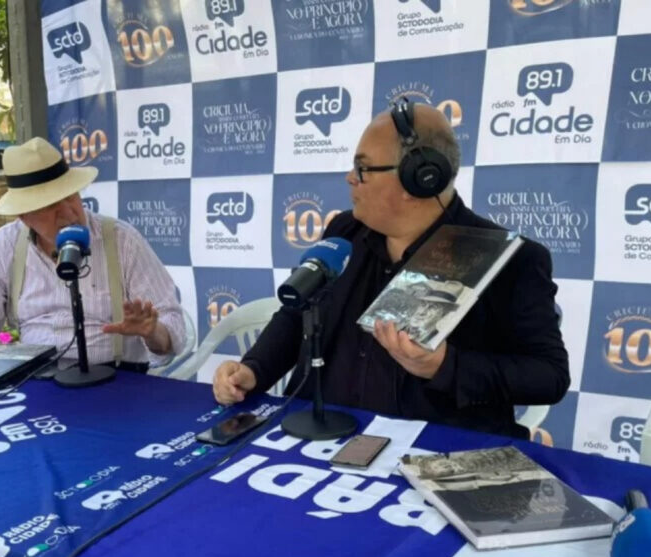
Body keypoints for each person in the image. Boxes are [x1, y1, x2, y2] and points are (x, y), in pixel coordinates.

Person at [212, 103, 569, 438]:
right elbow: (297, 316)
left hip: (431, 457)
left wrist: (445, 366)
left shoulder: (511, 259)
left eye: (363, 168)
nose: (350, 178)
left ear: (420, 179)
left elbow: (549, 375)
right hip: (319, 439)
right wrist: (254, 370)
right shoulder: (343, 233)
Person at [0, 136, 185, 381]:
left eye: (70, 196)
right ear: (24, 216)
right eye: (50, 206)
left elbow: (172, 326)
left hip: (116, 379)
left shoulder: (122, 241)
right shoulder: (5, 244)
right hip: (36, 380)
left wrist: (151, 332)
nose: (68, 213)